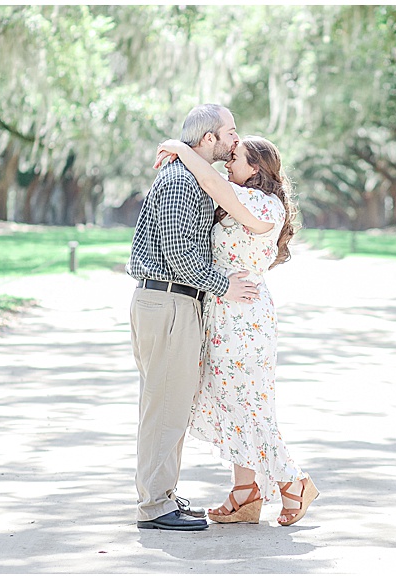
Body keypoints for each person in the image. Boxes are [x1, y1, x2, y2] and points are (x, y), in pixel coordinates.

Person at [154, 135, 319, 526]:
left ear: (257, 167)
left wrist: (181, 147)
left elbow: (212, 184)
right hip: (223, 309)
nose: (228, 164)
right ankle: (245, 493)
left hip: (244, 317)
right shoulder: (239, 202)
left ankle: (293, 482)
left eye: (236, 159)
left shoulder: (264, 204)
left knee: (247, 403)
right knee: (230, 400)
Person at [127, 104, 260, 532]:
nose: (236, 139)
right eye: (230, 132)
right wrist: (226, 285)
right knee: (164, 406)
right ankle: (153, 505)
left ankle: (161, 494)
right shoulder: (182, 183)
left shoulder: (192, 176)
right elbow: (180, 257)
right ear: (208, 140)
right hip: (168, 301)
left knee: (170, 403)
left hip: (174, 303)